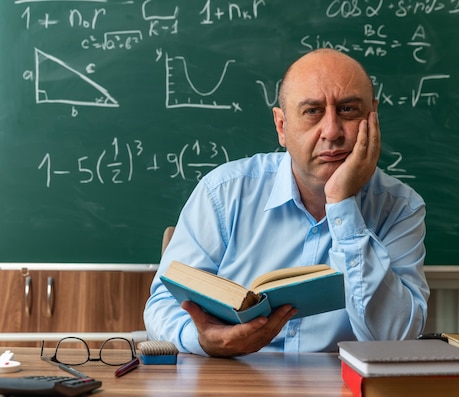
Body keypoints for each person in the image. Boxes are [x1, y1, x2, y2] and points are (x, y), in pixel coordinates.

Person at [144, 48, 429, 357]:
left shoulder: (400, 207)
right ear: (282, 126)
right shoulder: (223, 193)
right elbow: (163, 304)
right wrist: (204, 341)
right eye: (312, 111)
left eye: (347, 109)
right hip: (234, 379)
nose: (332, 132)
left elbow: (396, 340)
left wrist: (342, 204)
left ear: (372, 119)